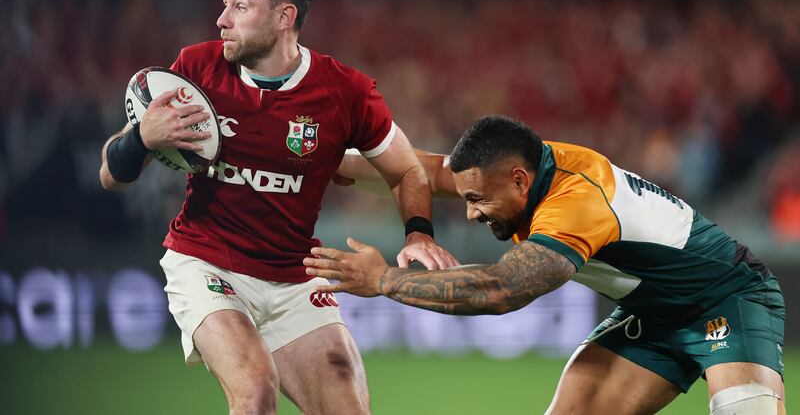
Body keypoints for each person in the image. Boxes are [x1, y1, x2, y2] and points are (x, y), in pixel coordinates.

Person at [99, 0, 459, 415]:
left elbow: (406, 168)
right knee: (255, 390)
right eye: (224, 4)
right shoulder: (194, 70)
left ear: (284, 16)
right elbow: (112, 174)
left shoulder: (346, 93)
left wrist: (418, 233)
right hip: (207, 263)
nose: (221, 19)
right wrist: (142, 138)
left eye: (239, 6)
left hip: (295, 278)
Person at [307, 115, 786, 415]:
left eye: (477, 201)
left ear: (519, 181)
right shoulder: (518, 169)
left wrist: (384, 279)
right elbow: (425, 170)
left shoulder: (575, 204)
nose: (471, 213)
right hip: (655, 315)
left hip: (729, 298)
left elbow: (503, 290)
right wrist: (324, 162)